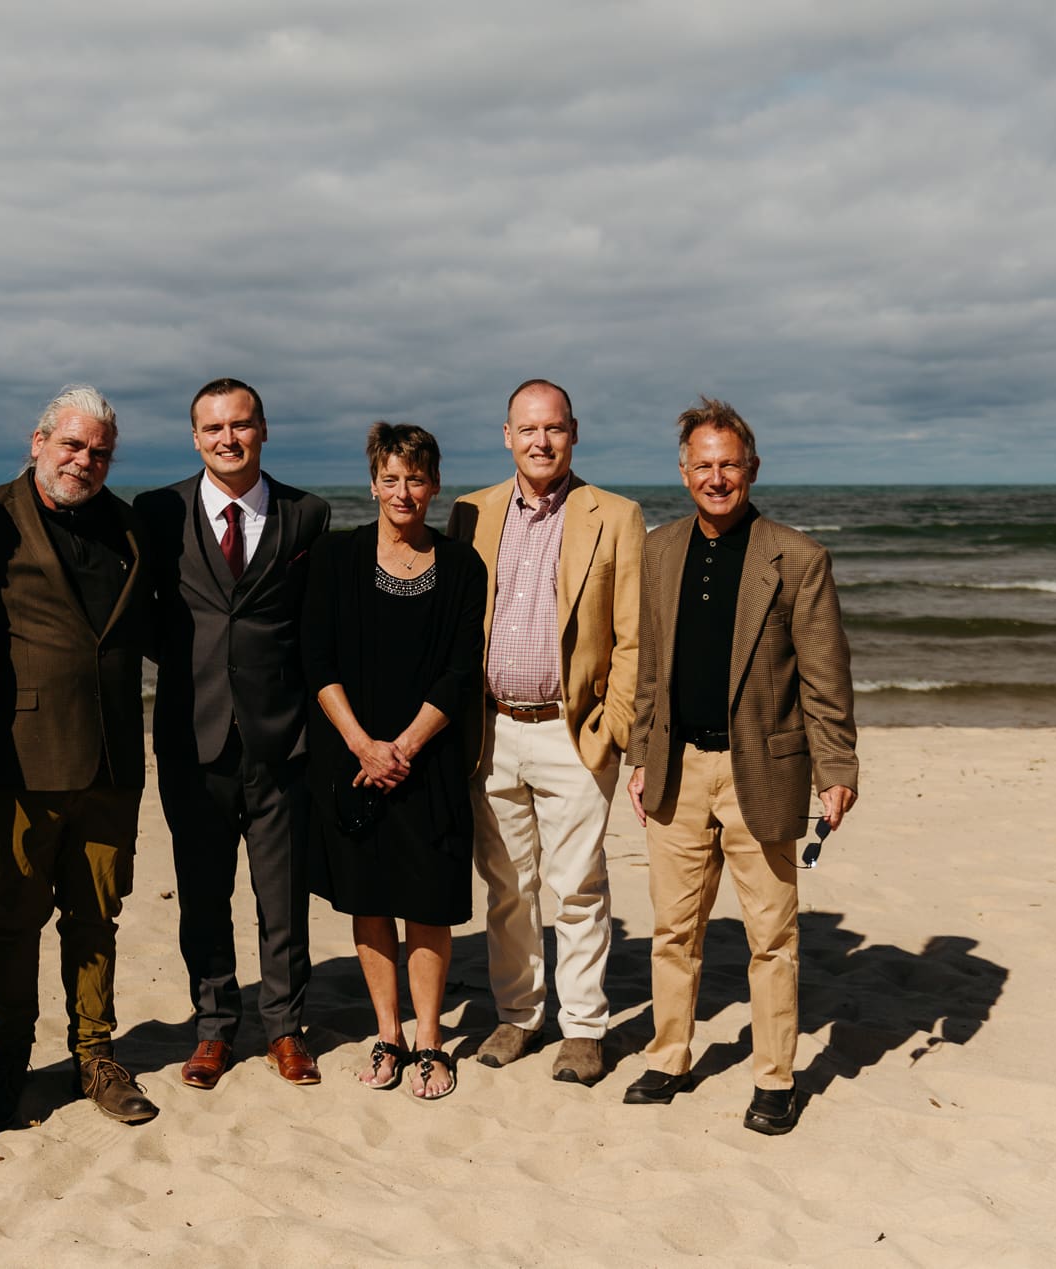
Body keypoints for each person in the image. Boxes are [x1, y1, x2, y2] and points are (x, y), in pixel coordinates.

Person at [623, 396, 860, 1135]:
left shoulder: (799, 558)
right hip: (676, 768)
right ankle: (669, 1056)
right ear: (683, 470)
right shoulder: (659, 550)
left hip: (762, 770)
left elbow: (826, 677)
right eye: (703, 464)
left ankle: (775, 1076)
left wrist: (837, 766)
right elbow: (649, 669)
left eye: (729, 464)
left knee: (772, 936)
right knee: (673, 929)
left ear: (751, 468)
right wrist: (638, 753)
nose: (716, 477)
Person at [0, 384, 156, 1126]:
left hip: (114, 761)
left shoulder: (130, 528)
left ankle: (95, 1055)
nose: (85, 460)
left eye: (100, 451)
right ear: (37, 442)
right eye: (71, 444)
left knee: (97, 914)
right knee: (15, 916)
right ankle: (8, 1059)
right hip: (19, 759)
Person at [446, 379, 645, 1087]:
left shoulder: (615, 515)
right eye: (527, 428)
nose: (540, 440)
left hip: (572, 731)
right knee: (507, 885)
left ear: (574, 432)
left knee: (579, 887)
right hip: (492, 731)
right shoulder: (471, 511)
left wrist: (612, 727)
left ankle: (585, 1028)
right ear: (507, 435)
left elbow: (633, 638)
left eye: (553, 428)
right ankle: (519, 1014)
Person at [136, 379, 332, 1090]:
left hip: (284, 737)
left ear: (263, 430)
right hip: (193, 735)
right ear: (195, 437)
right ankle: (215, 1027)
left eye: (241, 425)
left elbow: (313, 625)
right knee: (204, 893)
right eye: (213, 427)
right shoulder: (158, 511)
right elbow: (147, 612)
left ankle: (285, 1028)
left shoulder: (306, 514)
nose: (228, 438)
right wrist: (198, 665)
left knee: (282, 898)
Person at [303, 423, 486, 1100]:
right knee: (370, 899)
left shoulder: (463, 565)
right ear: (372, 482)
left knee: (428, 901)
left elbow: (459, 671)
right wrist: (362, 744)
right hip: (353, 760)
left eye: (415, 477)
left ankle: (433, 1038)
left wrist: (403, 748)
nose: (402, 490)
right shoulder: (336, 557)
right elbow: (316, 660)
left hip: (428, 763)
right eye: (390, 477)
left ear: (434, 484)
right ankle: (390, 1033)